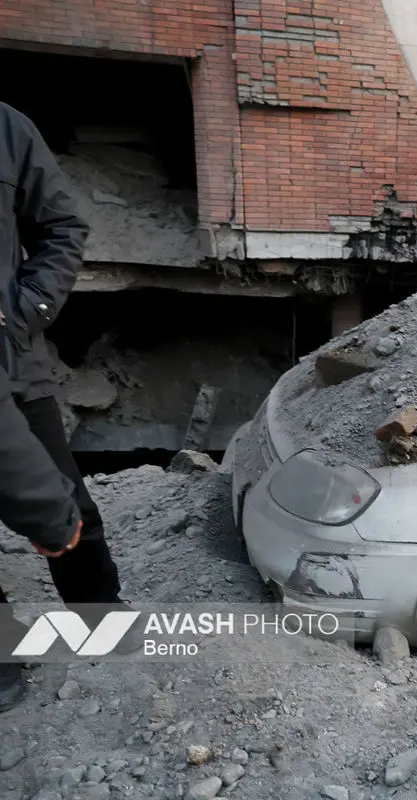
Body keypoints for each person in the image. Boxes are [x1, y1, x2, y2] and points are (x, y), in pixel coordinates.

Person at [1, 102, 129, 668]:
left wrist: (22, 312)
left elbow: (61, 226)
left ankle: (98, 613)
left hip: (14, 361)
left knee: (65, 497)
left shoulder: (7, 128)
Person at [0, 368, 84, 711]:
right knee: (64, 512)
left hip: (21, 363)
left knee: (71, 497)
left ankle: (98, 607)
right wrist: (51, 518)